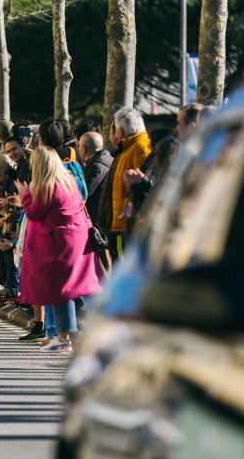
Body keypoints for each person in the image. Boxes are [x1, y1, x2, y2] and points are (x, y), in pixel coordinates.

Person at [15, 146, 100, 349]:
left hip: (57, 243)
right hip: (74, 240)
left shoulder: (48, 185)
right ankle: (62, 337)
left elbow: (34, 212)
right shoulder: (68, 180)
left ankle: (63, 338)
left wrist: (24, 195)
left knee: (60, 290)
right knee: (65, 290)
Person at [97, 107, 152, 260]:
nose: (111, 136)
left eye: (112, 131)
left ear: (120, 132)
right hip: (120, 226)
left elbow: (141, 185)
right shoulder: (127, 149)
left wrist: (126, 215)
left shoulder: (140, 148)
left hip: (127, 228)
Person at [78, 131, 113, 221]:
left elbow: (83, 192)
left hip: (97, 219)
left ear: (83, 148)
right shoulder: (107, 158)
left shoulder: (97, 166)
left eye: (78, 146)